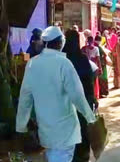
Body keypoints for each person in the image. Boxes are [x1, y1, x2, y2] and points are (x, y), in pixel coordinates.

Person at [16, 26, 96, 162]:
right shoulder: (64, 63)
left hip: (45, 129)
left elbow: (25, 99)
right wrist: (90, 118)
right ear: (59, 43)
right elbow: (77, 96)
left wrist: (21, 126)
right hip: (65, 130)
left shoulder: (32, 64)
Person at [63, 30, 97, 162]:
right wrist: (92, 98)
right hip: (82, 101)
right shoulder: (82, 58)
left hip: (66, 102)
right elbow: (88, 81)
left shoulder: (62, 58)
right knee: (83, 131)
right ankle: (82, 157)